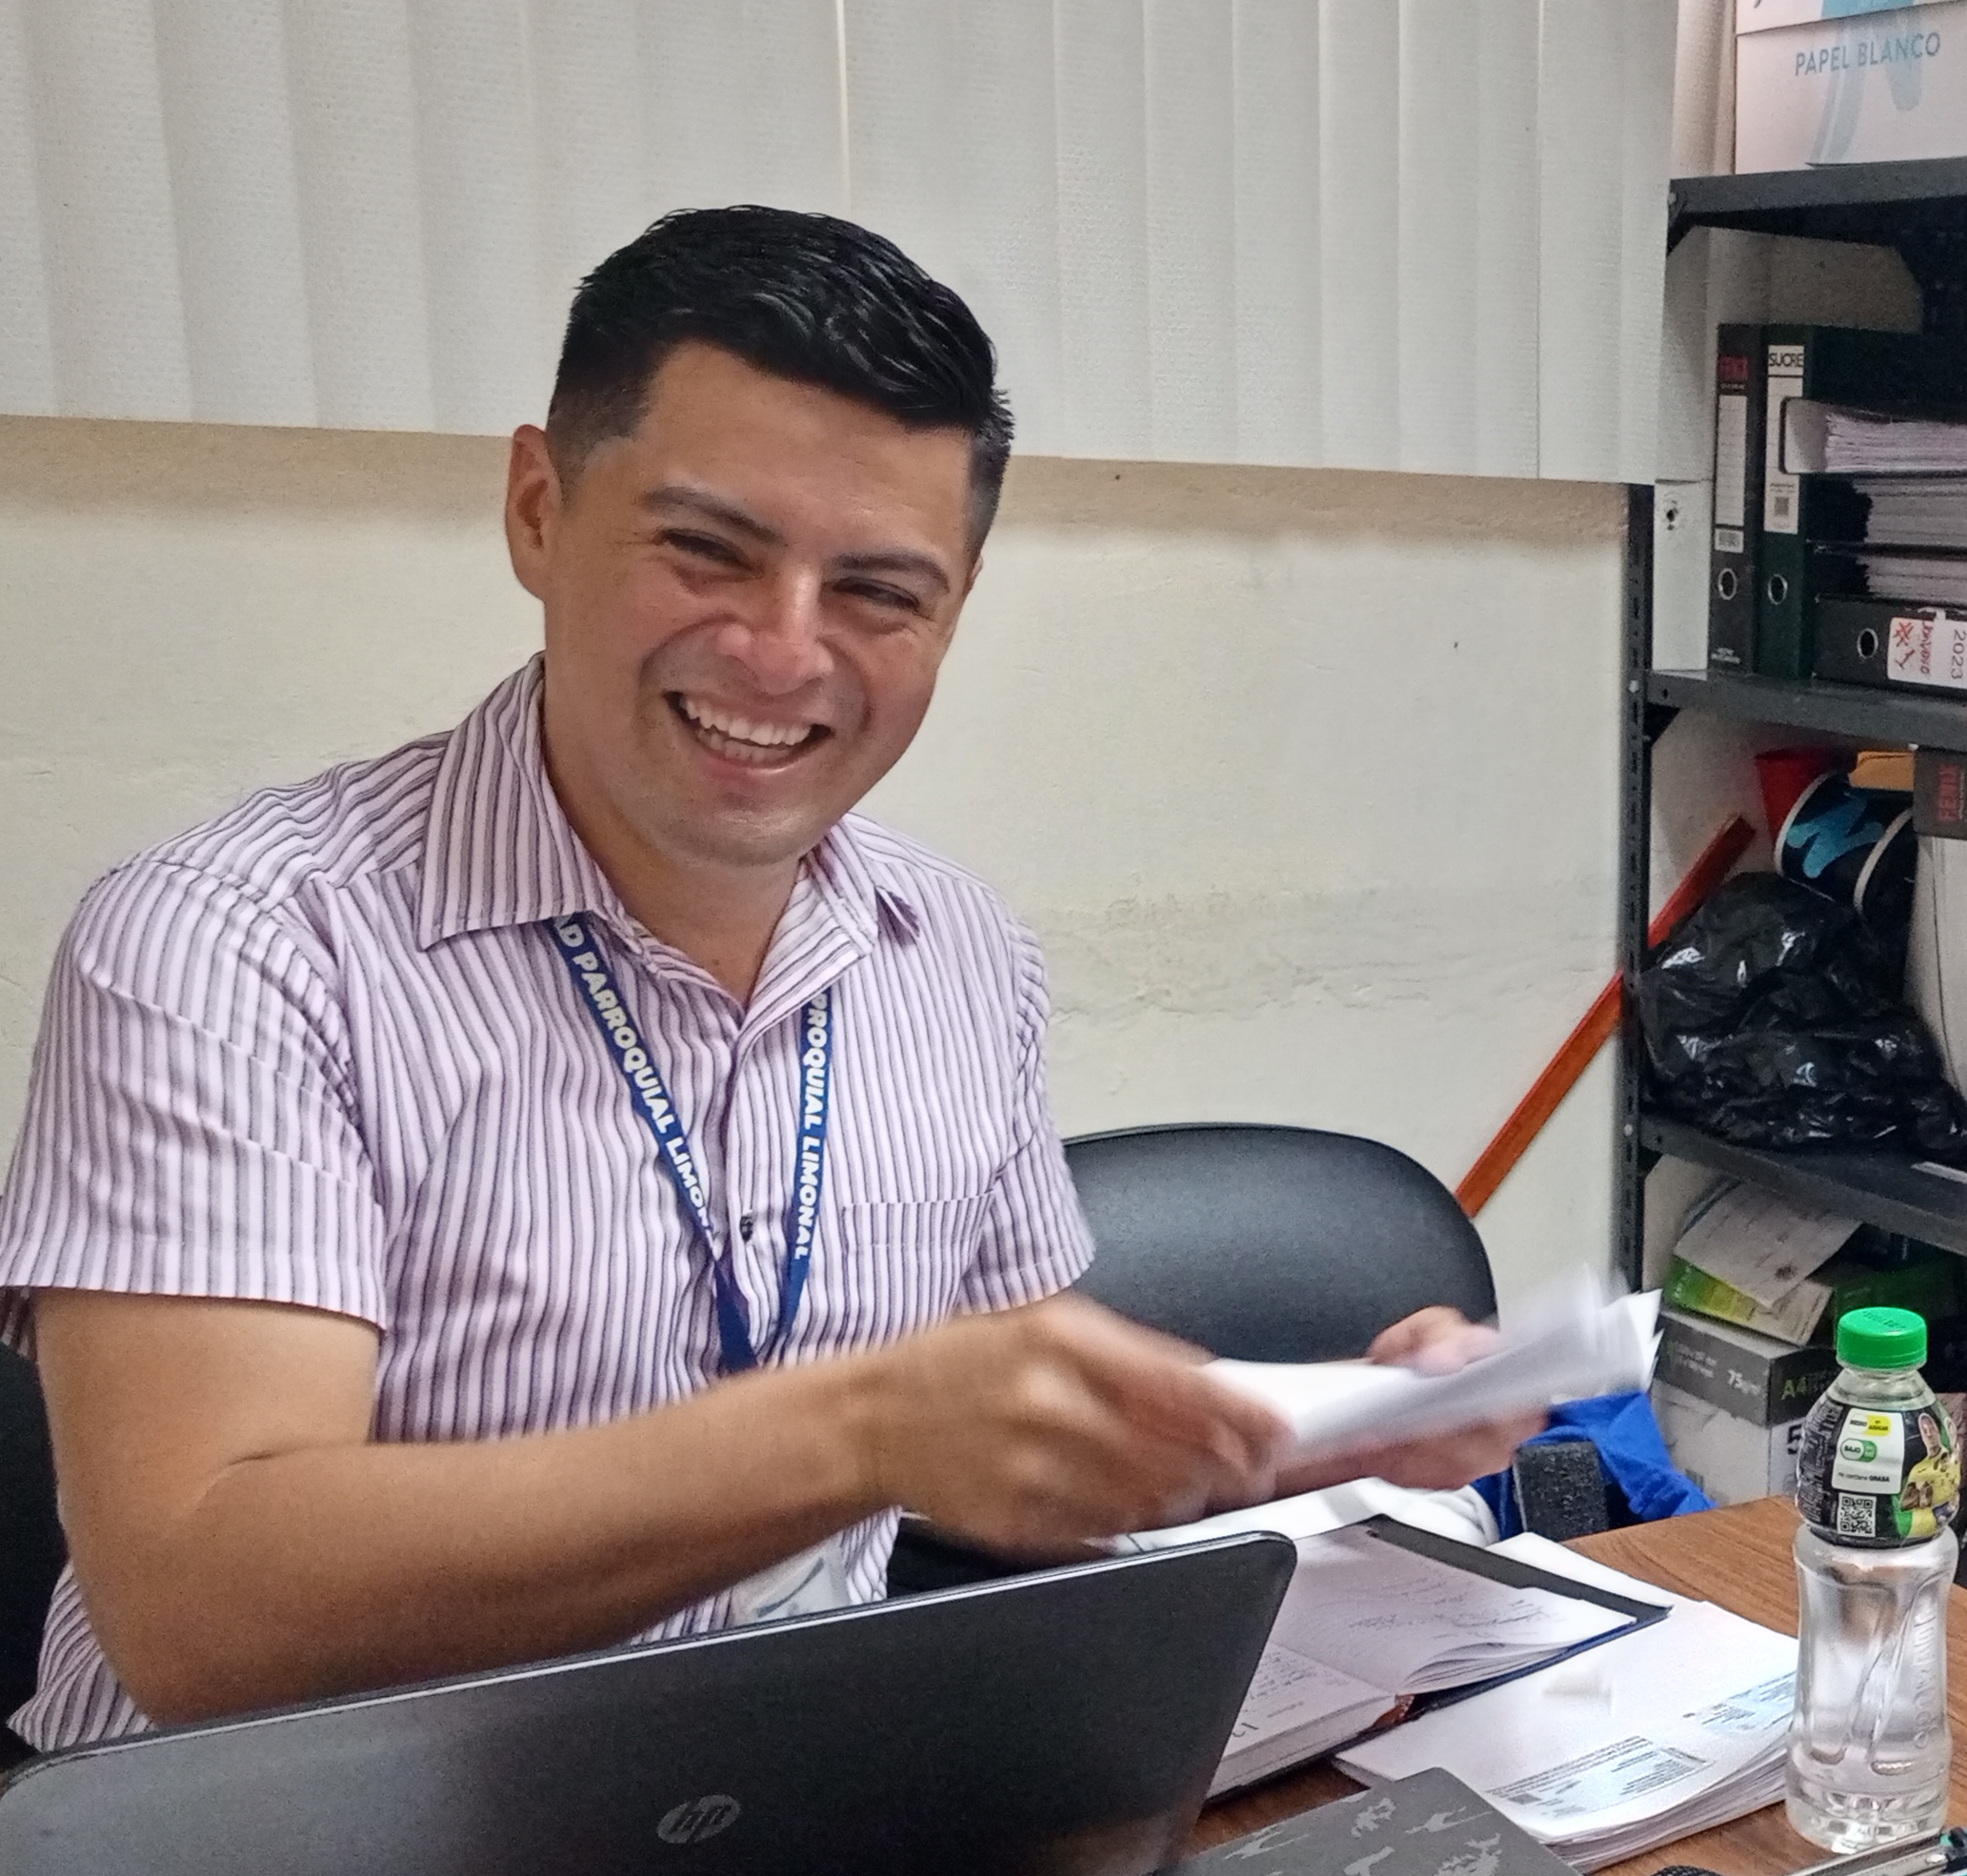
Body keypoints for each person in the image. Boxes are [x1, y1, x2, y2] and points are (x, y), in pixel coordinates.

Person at [0, 206, 1534, 1752]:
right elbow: (202, 1611)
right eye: (708, 551)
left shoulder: (955, 950)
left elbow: (1029, 1448)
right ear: (538, 510)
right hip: (286, 1863)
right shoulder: (239, 944)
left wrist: (1340, 1425)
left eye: (879, 591)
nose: (784, 653)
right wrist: (858, 1433)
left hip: (779, 1804)